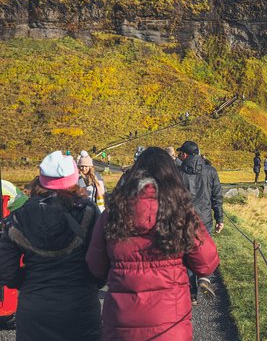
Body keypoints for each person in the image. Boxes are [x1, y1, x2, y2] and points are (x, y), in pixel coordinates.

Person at [86, 147, 219, 340]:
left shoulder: (113, 213)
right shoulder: (180, 211)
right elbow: (207, 262)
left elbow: (96, 267)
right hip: (170, 324)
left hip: (121, 324)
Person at [0, 151, 101, 340]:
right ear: (74, 179)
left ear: (41, 181)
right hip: (81, 306)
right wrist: (92, 281)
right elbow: (102, 260)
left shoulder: (19, 216)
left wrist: (28, 281)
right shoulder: (89, 212)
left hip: (35, 308)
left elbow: (5, 269)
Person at [177, 140, 223, 302]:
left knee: (187, 254)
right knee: (204, 250)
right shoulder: (210, 171)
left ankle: (192, 294)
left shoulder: (178, 172)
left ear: (185, 154)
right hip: (205, 218)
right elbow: (217, 196)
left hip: (185, 219)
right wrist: (220, 218)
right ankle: (204, 278)